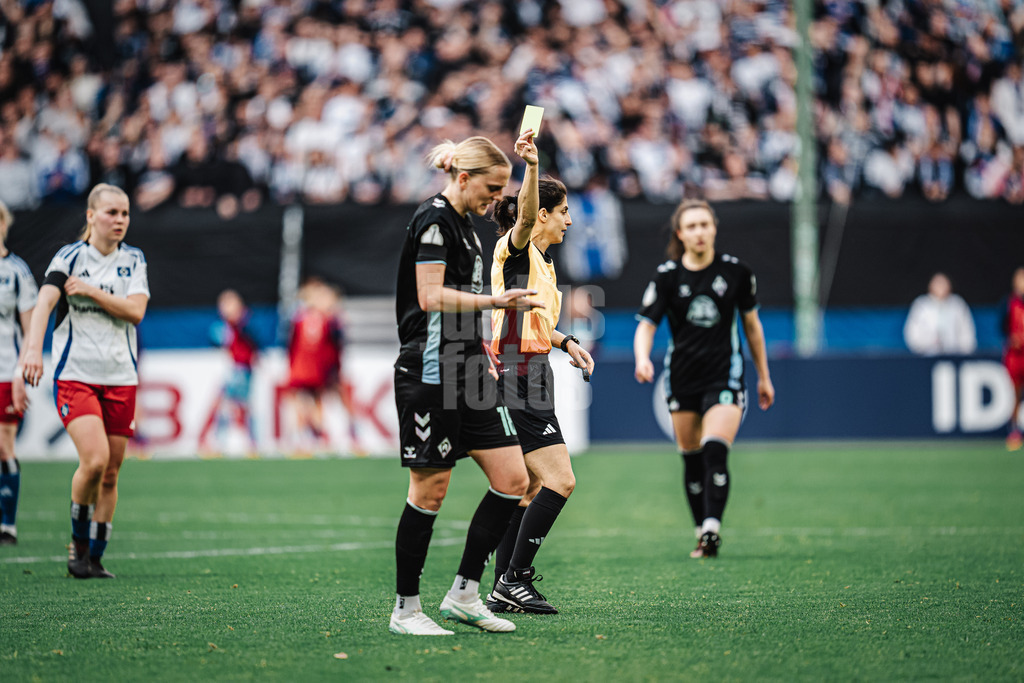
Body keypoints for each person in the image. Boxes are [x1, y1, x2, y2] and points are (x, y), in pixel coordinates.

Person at [389, 132, 541, 636]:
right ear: (463, 177)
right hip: (430, 370)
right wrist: (496, 305)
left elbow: (460, 298)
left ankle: (465, 595)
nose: (495, 198)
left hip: (469, 367)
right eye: (492, 188)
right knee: (430, 491)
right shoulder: (433, 219)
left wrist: (482, 351)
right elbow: (431, 297)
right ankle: (406, 610)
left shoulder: (468, 228)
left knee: (514, 480)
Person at [633, 199, 774, 559]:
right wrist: (642, 358)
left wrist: (764, 377)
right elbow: (646, 325)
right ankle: (701, 532)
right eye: (691, 226)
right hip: (681, 379)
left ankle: (712, 529)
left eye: (704, 224)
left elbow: (752, 328)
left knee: (715, 449)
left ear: (714, 228)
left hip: (724, 376)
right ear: (680, 234)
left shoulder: (737, 273)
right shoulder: (666, 276)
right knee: (691, 458)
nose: (698, 232)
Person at [21, 183, 150, 578]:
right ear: (91, 216)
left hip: (121, 378)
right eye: (112, 212)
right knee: (93, 461)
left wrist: (92, 292)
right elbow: (44, 302)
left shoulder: (133, 260)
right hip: (76, 376)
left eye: (125, 214)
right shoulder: (71, 257)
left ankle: (95, 557)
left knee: (111, 472)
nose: (120, 221)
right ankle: (77, 549)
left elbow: (135, 312)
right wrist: (32, 349)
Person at [485, 153, 594, 615]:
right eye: (564, 211)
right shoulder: (519, 248)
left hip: (533, 369)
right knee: (561, 480)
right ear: (543, 215)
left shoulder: (543, 265)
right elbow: (525, 213)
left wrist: (565, 340)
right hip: (517, 372)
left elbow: (533, 322)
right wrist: (530, 167)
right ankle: (515, 578)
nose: (569, 220)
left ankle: (500, 587)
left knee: (528, 486)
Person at [0, 200, 39, 546]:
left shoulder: (17, 272)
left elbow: (30, 330)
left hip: (4, 371)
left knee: (4, 445)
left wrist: (20, 372)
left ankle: (7, 524)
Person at [285, 277, 360, 454]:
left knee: (325, 401)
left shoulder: (327, 319)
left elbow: (336, 341)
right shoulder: (305, 318)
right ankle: (312, 437)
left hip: (325, 367)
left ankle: (345, 434)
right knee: (308, 402)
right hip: (313, 367)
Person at [201, 289, 259, 456]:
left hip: (241, 370)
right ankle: (223, 440)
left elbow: (254, 341)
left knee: (238, 406)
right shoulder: (224, 326)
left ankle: (248, 441)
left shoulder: (244, 323)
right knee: (231, 406)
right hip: (234, 369)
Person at [903, 273, 977, 356]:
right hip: (926, 356)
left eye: (943, 283)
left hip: (955, 356)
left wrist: (965, 354)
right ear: (930, 285)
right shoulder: (921, 305)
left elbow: (967, 332)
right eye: (937, 283)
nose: (941, 287)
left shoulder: (958, 304)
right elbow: (912, 334)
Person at [1001, 267, 1024, 451]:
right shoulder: (1009, 303)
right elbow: (1002, 327)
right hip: (1016, 357)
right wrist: (1011, 339)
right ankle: (1014, 431)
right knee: (1015, 395)